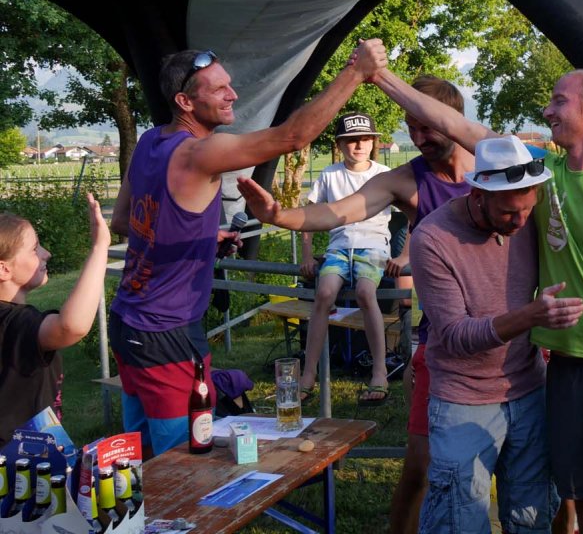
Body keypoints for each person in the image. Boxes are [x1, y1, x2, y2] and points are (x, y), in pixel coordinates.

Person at [367, 66, 583, 534]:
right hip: (564, 369)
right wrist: (379, 75)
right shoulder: (540, 177)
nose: (547, 110)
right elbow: (454, 125)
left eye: (558, 100)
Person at [109, 40, 386, 456]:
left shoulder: (149, 141)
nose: (233, 95)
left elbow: (123, 222)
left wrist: (201, 239)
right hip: (166, 332)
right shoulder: (200, 151)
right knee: (179, 461)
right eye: (218, 89)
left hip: (126, 321)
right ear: (185, 101)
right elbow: (293, 137)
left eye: (230, 85)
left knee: (138, 454)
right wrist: (356, 72)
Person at [237, 75, 474, 534]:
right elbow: (341, 211)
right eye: (412, 127)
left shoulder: (496, 164)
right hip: (443, 343)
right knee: (419, 467)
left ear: (455, 121)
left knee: (533, 475)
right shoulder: (408, 180)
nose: (420, 137)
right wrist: (279, 217)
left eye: (429, 126)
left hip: (509, 339)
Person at [412, 135, 583, 534]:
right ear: (478, 193)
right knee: (459, 518)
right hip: (462, 398)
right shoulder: (432, 240)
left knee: (532, 513)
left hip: (528, 390)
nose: (521, 222)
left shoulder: (529, 219)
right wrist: (529, 316)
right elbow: (455, 336)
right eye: (510, 212)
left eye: (529, 209)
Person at [0, 193, 111, 447]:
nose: (46, 253)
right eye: (34, 248)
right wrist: (99, 247)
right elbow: (71, 326)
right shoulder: (17, 323)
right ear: (4, 269)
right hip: (19, 470)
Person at [299, 112, 393, 404]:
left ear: (373, 142)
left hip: (374, 245)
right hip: (339, 247)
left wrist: (402, 255)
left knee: (366, 293)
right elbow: (307, 216)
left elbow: (414, 215)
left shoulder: (384, 175)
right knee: (324, 292)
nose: (359, 145)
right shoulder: (329, 175)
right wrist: (307, 256)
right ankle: (308, 373)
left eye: (364, 139)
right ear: (340, 145)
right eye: (351, 140)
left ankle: (380, 371)